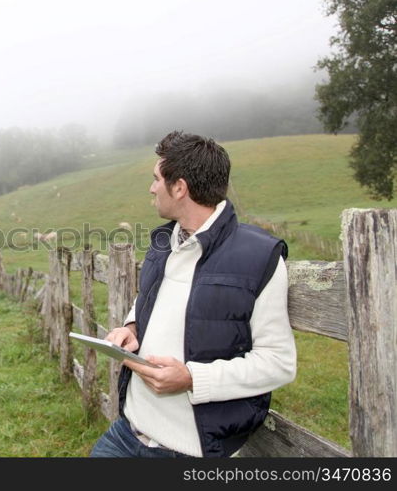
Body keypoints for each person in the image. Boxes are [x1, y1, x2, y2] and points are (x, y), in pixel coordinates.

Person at [90, 131, 296, 458]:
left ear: (180, 188)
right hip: (127, 433)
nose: (152, 188)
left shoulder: (258, 257)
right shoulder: (162, 243)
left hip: (189, 450)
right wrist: (131, 328)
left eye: (157, 179)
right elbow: (150, 300)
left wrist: (190, 379)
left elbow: (278, 364)